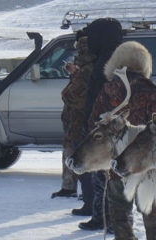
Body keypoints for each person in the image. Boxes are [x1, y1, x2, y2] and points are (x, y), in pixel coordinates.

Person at [89, 41, 156, 240]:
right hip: (144, 162)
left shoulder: (108, 90)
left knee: (118, 206)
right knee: (150, 206)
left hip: (117, 160)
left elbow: (94, 123)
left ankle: (124, 237)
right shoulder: (151, 90)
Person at [77, 18, 123, 231]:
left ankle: (103, 219)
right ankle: (108, 219)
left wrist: (91, 125)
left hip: (102, 130)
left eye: (94, 36)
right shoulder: (117, 59)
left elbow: (100, 98)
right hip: (112, 129)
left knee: (102, 177)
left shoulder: (106, 63)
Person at [51, 31, 97, 216]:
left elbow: (74, 96)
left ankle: (88, 198)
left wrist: (75, 76)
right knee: (71, 150)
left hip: (81, 119)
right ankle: (70, 187)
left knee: (82, 156)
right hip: (74, 119)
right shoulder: (86, 67)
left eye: (81, 48)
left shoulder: (89, 69)